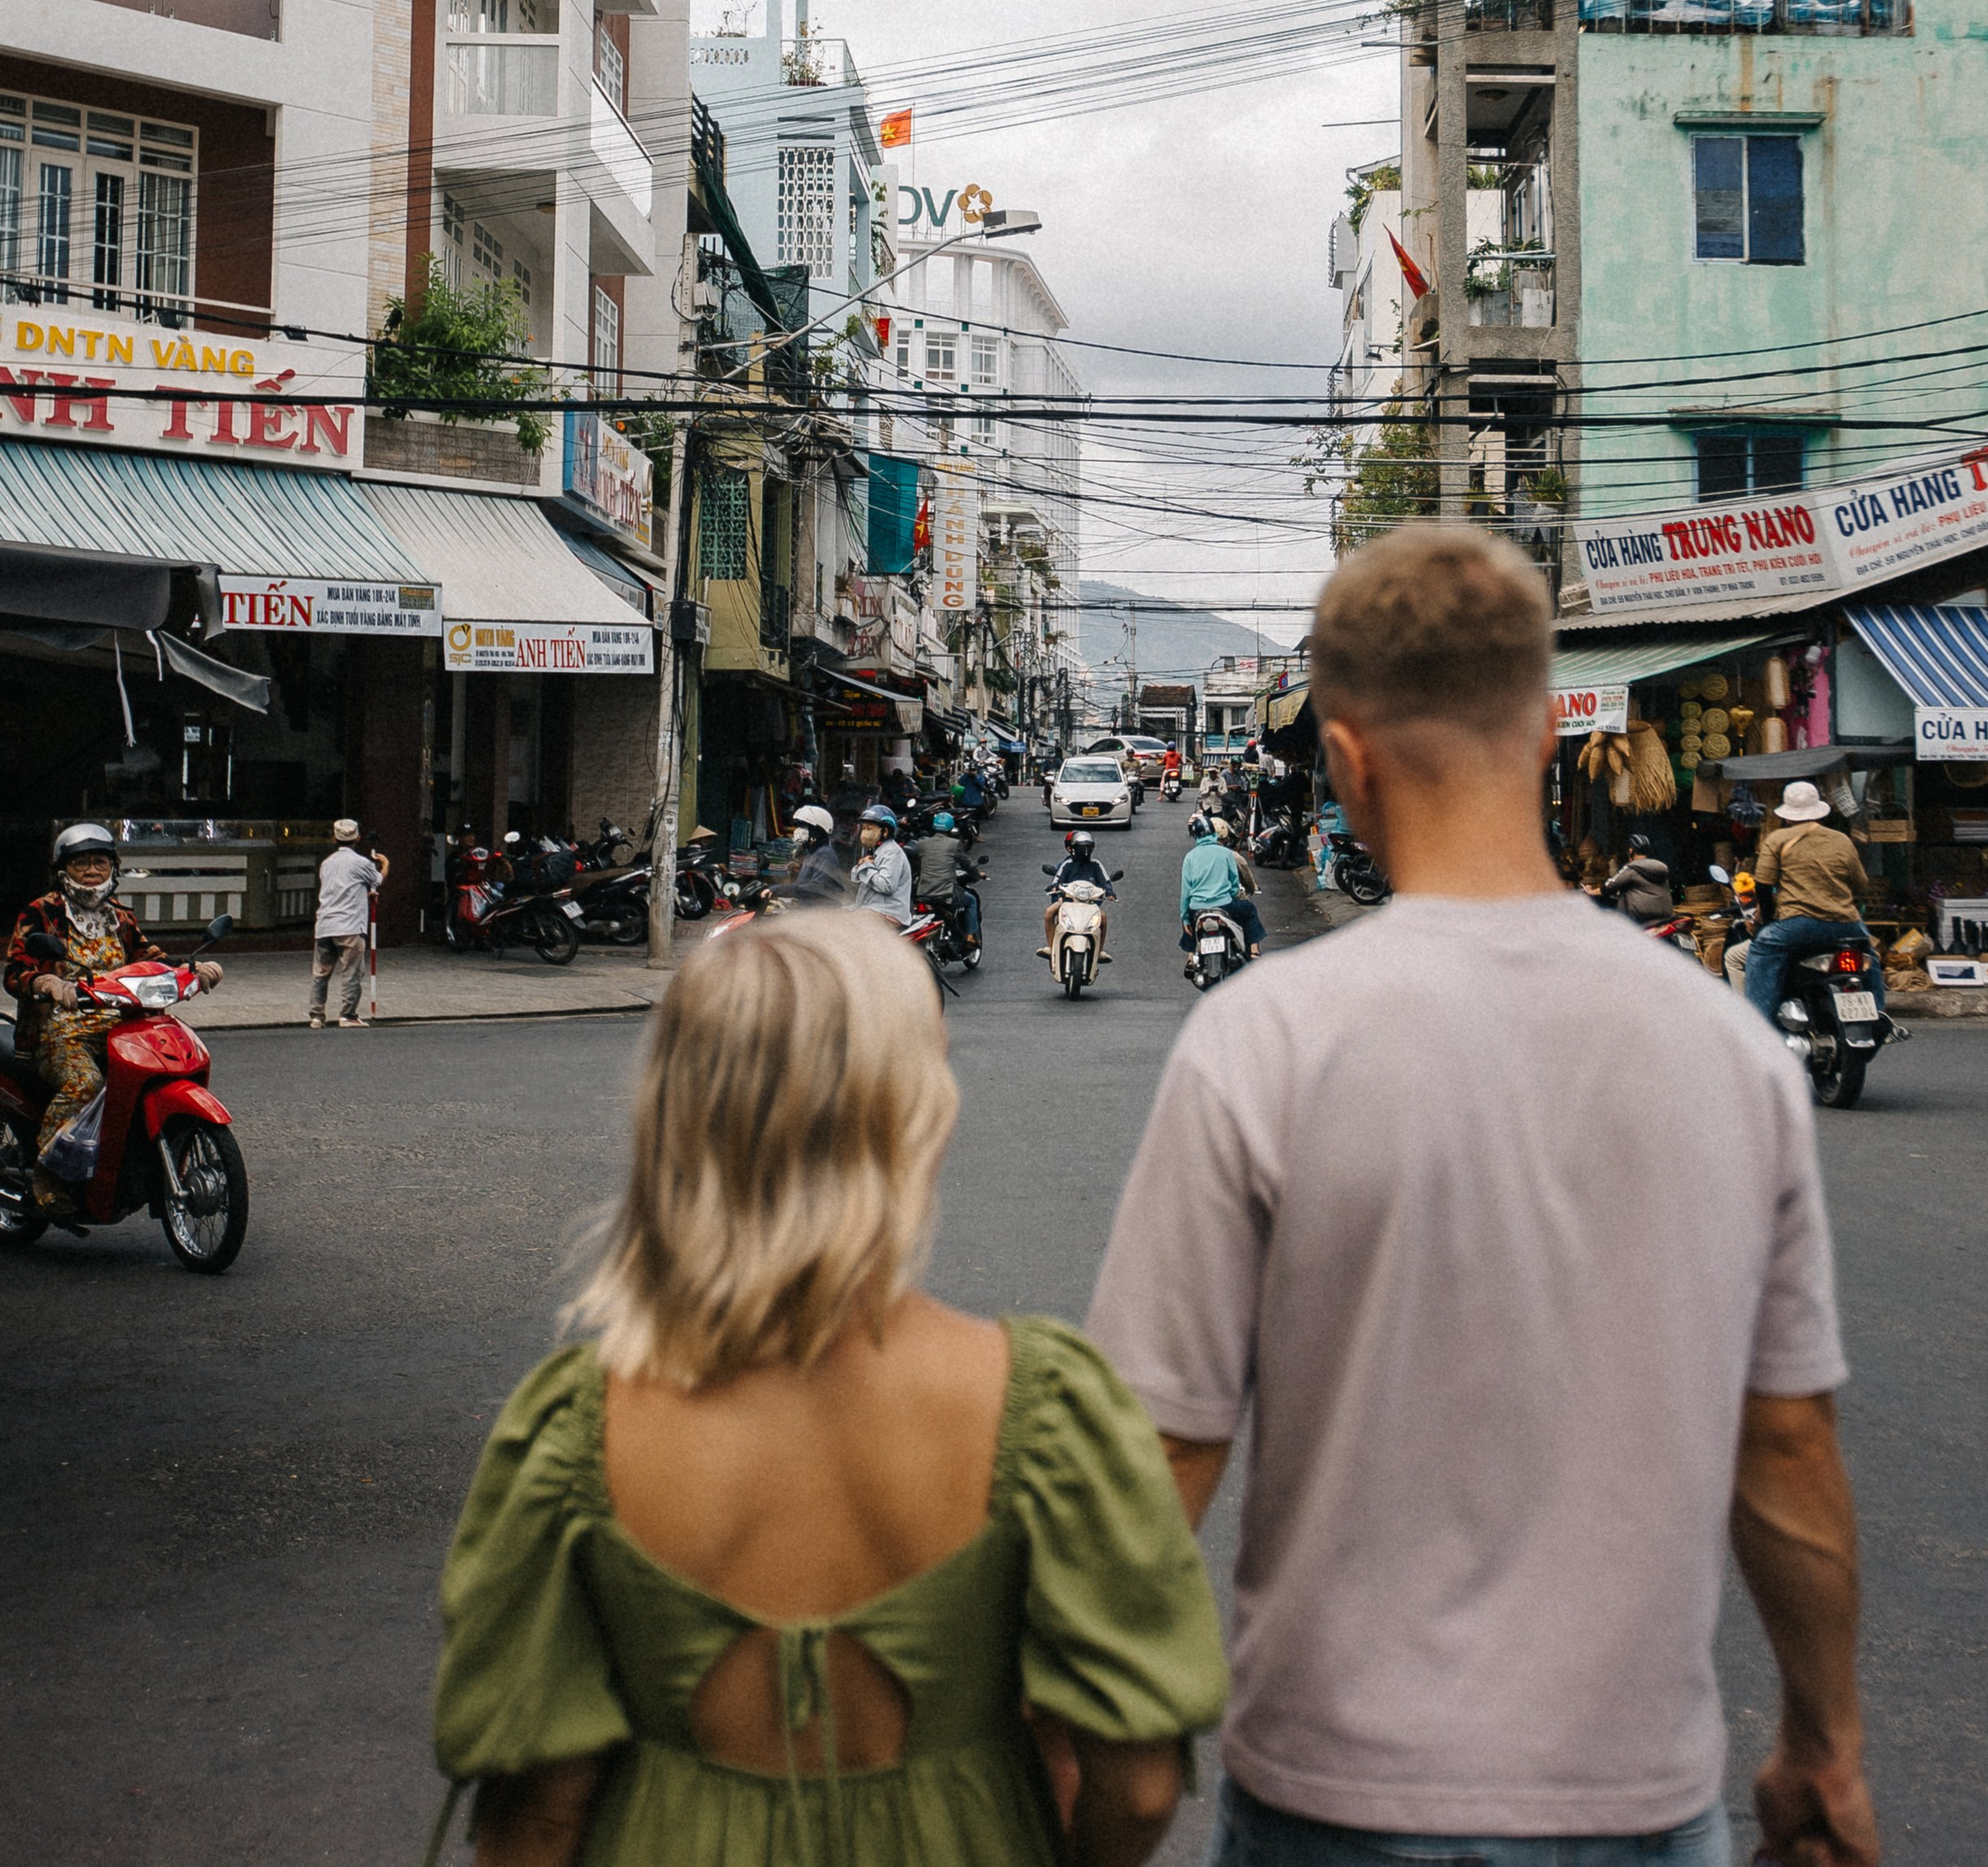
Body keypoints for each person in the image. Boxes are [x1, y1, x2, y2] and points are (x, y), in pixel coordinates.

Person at [1089, 522, 1877, 1867]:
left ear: (1347, 759)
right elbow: (1789, 1447)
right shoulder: (1729, 1051)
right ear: (1545, 734)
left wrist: (1104, 1766)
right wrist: (1825, 1744)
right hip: (1637, 1797)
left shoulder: (1265, 1039)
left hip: (1333, 1796)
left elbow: (1158, 1455)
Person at [430, 910, 1227, 1866]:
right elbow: (1137, 1787)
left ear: (677, 1111)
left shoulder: (575, 1426)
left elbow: (537, 1815)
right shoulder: (1044, 1407)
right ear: (911, 1114)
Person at [5, 822, 222, 1215]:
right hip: (61, 1028)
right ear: (63, 870)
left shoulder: (120, 917)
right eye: (81, 863)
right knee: (86, 1083)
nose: (91, 871)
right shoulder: (41, 912)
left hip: (122, 1023)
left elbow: (149, 959)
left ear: (113, 868)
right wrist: (47, 982)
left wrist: (191, 969)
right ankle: (47, 1171)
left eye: (100, 862)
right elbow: (15, 970)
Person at [1743, 785, 1883, 1021]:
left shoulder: (1777, 839)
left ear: (1787, 816)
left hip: (1798, 926)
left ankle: (1758, 1025)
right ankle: (1880, 1015)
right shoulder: (1841, 840)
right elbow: (1861, 884)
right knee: (1870, 959)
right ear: (1819, 811)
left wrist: (1766, 920)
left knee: (1761, 950)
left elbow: (1763, 886)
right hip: (1847, 925)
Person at [309, 816, 388, 1029]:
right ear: (358, 838)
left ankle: (316, 1016)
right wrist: (385, 864)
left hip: (325, 924)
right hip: (350, 926)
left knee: (320, 973)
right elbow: (378, 880)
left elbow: (340, 889)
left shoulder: (326, 864)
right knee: (352, 972)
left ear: (334, 839)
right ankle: (348, 1015)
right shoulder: (361, 863)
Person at [1179, 818, 1264, 965]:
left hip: (1197, 908)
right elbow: (1234, 882)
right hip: (1224, 905)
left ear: (1195, 836)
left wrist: (1185, 918)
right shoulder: (1226, 853)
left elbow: (1186, 892)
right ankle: (1254, 951)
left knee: (1190, 925)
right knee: (1250, 910)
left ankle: (1191, 959)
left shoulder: (1189, 858)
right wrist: (1233, 895)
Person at [911, 812, 983, 950]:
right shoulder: (954, 844)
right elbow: (968, 865)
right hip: (946, 893)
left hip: (923, 893)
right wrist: (977, 875)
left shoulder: (922, 844)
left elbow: (917, 865)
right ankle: (969, 936)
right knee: (971, 901)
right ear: (951, 829)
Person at [1042, 832, 1116, 962]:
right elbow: (1057, 878)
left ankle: (1099, 951)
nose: (1085, 851)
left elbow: (1105, 881)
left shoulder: (1096, 864)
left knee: (1103, 918)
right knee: (1049, 913)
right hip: (1067, 901)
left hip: (1090, 903)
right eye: (1082, 848)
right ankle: (1051, 947)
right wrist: (1054, 887)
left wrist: (1109, 892)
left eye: (1088, 848)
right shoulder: (1067, 864)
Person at [851, 804, 914, 923]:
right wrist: (861, 865)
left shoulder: (892, 852)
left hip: (888, 912)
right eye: (864, 828)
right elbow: (855, 879)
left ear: (885, 831)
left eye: (869, 828)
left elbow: (887, 886)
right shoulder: (877, 851)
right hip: (874, 909)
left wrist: (867, 867)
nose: (864, 833)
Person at [783, 804, 852, 910]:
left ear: (817, 831)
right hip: (809, 911)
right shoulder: (813, 853)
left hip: (821, 914)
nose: (799, 831)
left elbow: (815, 889)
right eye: (799, 826)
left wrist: (779, 889)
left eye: (804, 827)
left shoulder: (825, 854)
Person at [1602, 831, 1676, 930]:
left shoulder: (1632, 868)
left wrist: (1592, 891)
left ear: (1631, 850)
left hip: (1639, 921)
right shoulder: (1660, 869)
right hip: (1664, 918)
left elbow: (1610, 886)